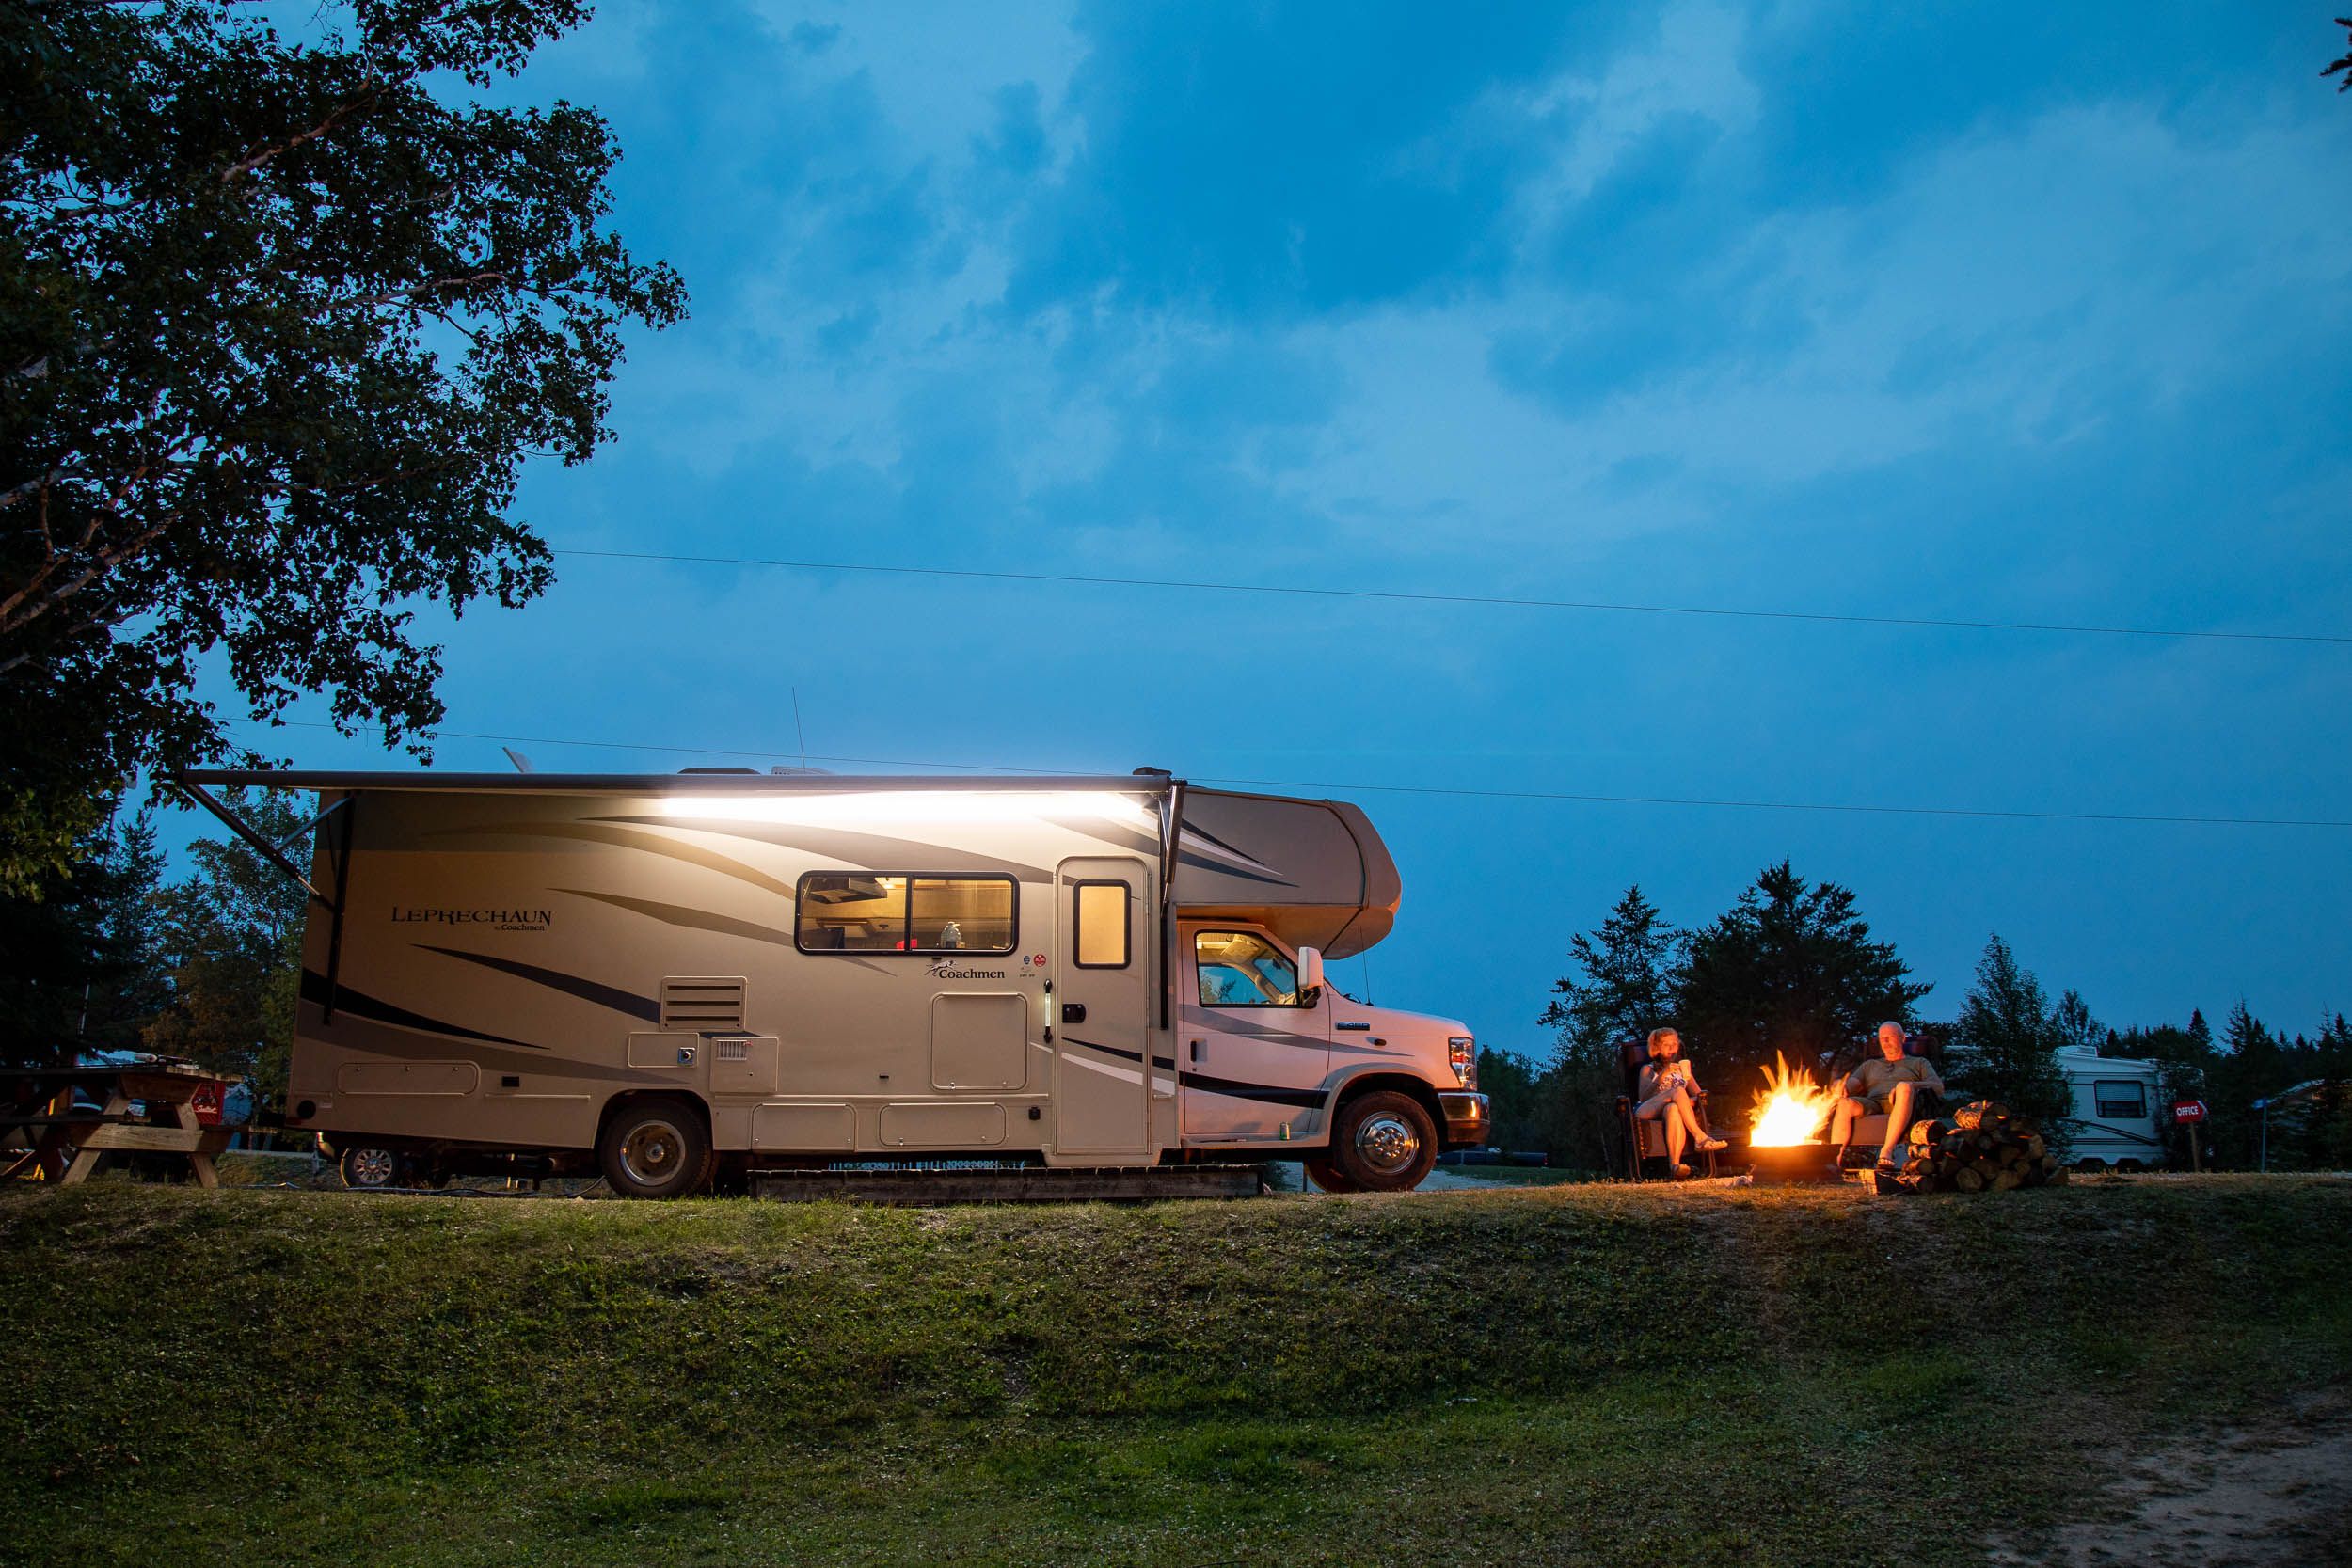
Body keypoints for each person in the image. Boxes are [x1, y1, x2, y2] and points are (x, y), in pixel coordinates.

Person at [1829, 1021, 1944, 1175]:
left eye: (1890, 1037)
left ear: (1903, 1038)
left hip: (1902, 1102)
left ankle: (1887, 1151)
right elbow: (1853, 1083)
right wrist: (1841, 1085)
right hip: (1873, 1103)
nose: (1886, 1042)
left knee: (1903, 1087)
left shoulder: (1919, 1062)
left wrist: (1909, 1086)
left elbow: (1938, 1087)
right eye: (1882, 1038)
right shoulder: (1869, 1065)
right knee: (1845, 1103)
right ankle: (1835, 1159)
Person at [1635, 1027, 1727, 1178]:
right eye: (1666, 1044)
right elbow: (1643, 1097)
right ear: (1657, 1048)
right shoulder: (1648, 1069)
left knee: (1673, 1108)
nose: (1672, 1048)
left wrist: (1685, 1101)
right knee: (1678, 1091)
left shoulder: (1683, 1071)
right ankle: (1700, 1137)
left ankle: (1674, 1166)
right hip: (1646, 1111)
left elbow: (1700, 1097)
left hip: (1669, 1110)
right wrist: (1663, 1075)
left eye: (1674, 1044)